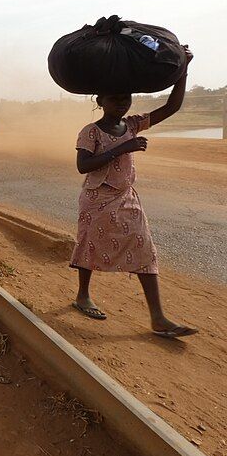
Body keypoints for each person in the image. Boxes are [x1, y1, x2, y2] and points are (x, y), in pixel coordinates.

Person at [71, 47, 196, 339]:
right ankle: (82, 296)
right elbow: (82, 165)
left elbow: (171, 108)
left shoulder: (132, 124)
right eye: (114, 98)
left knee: (145, 250)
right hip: (97, 198)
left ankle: (158, 317)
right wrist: (122, 148)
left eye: (125, 98)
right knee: (89, 246)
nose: (121, 103)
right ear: (100, 101)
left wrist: (184, 70)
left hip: (127, 198)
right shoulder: (90, 131)